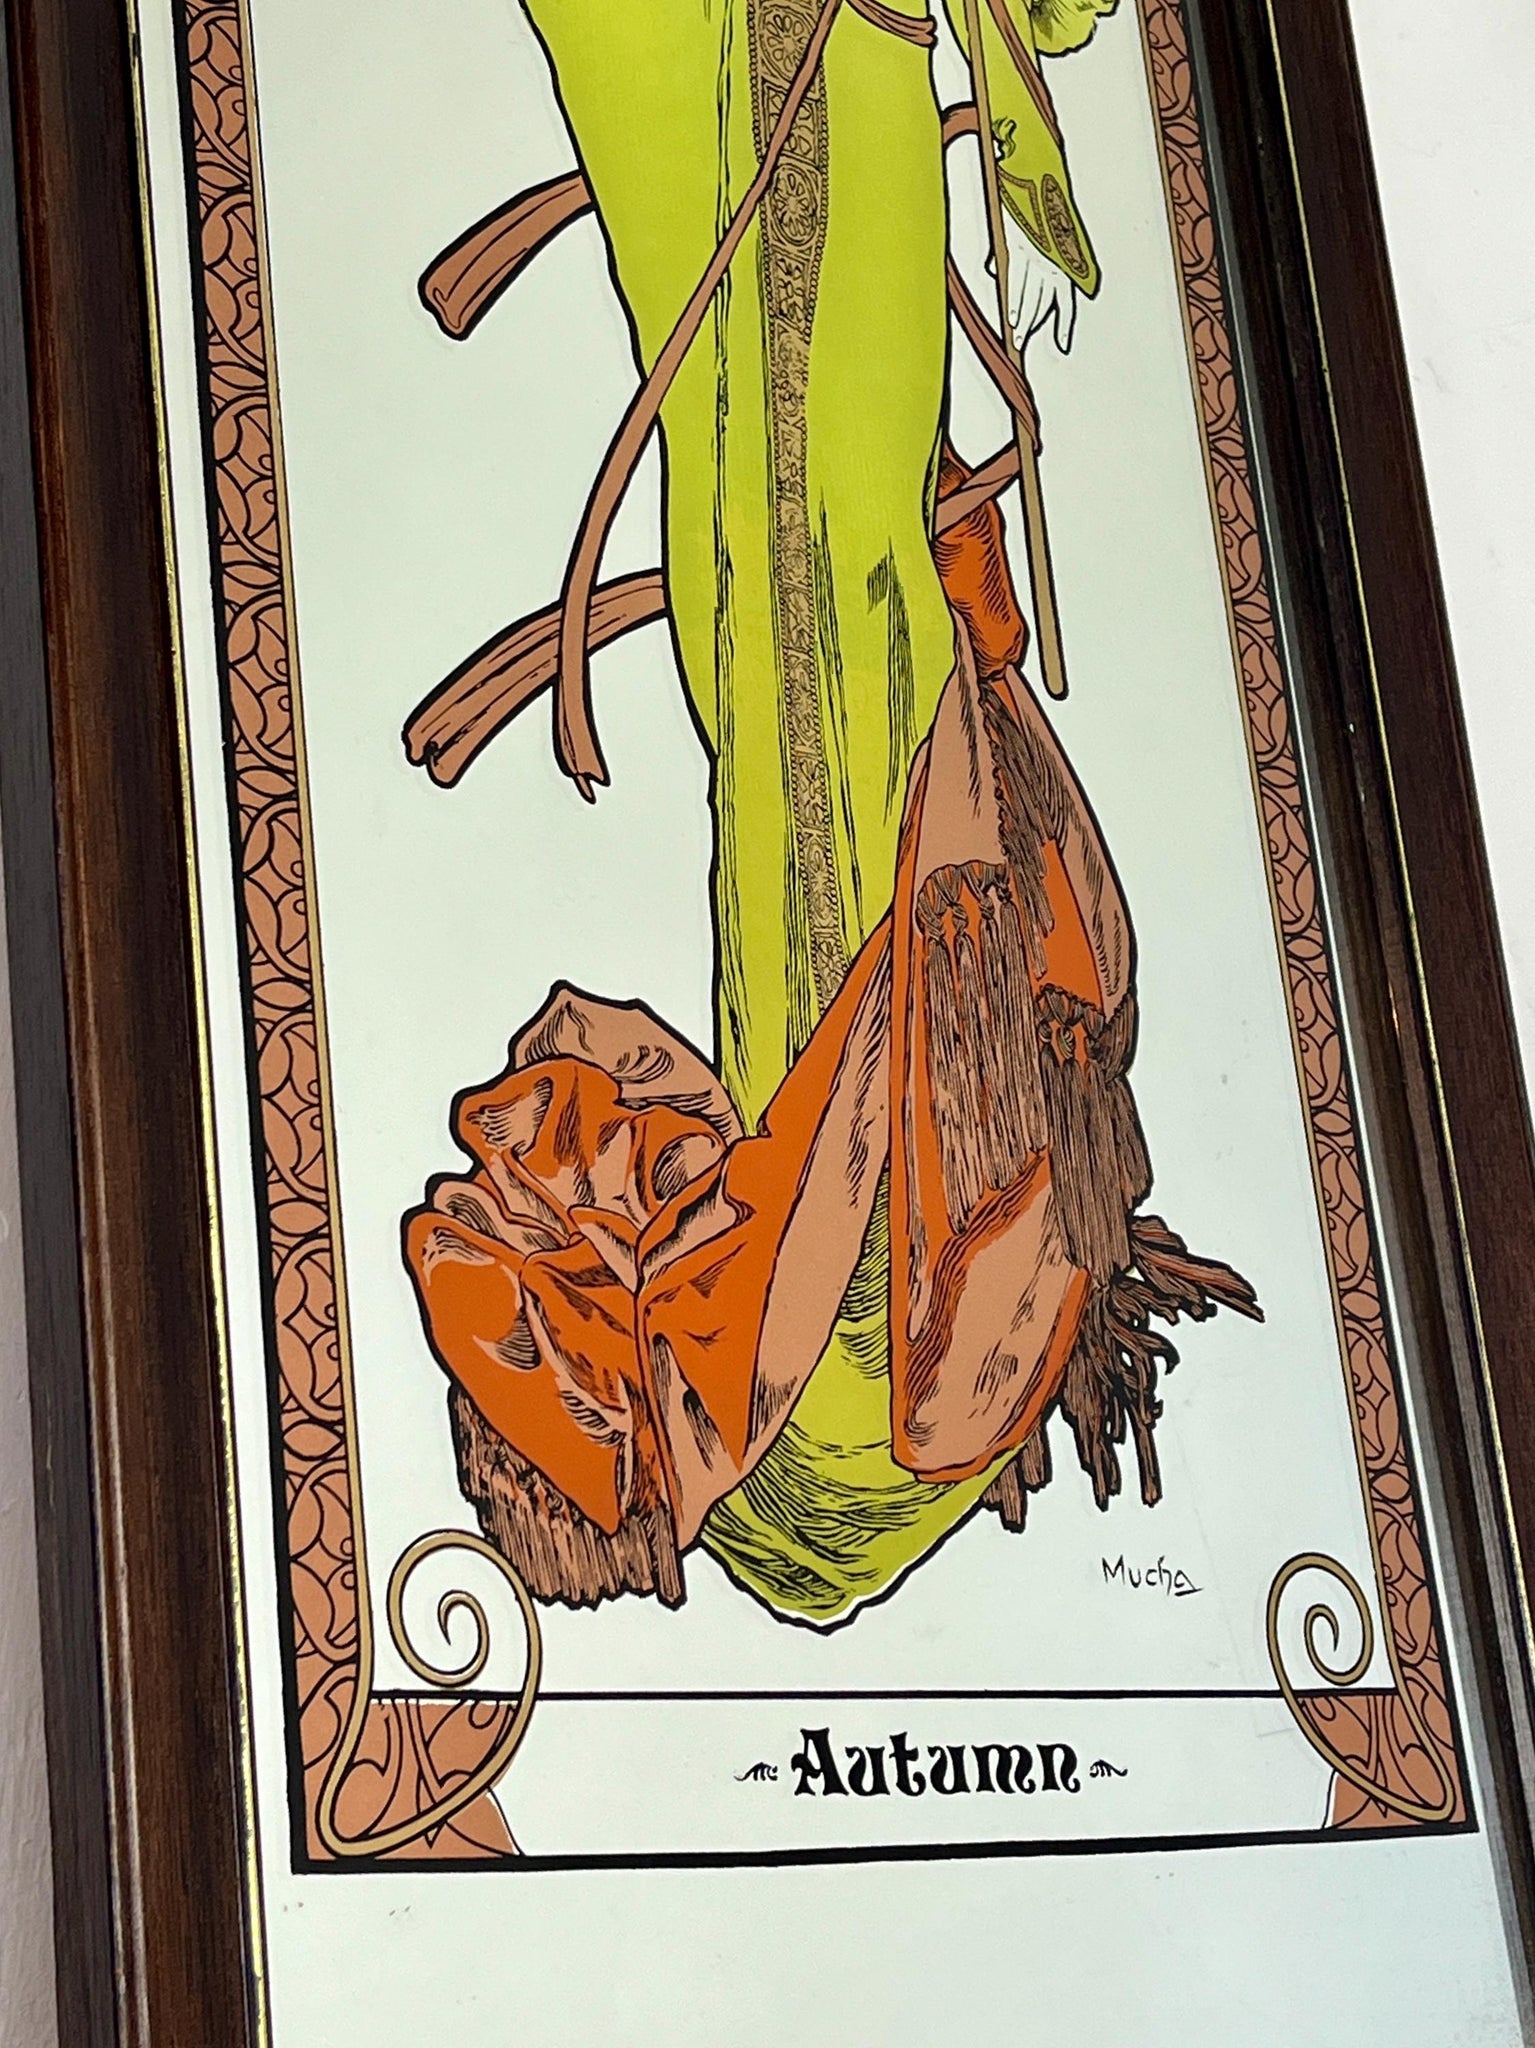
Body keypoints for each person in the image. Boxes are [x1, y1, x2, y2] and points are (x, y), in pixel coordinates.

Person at [403, 0, 1259, 1628]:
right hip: (869, 819)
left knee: (783, 549)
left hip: (861, 819)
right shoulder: (812, 1374)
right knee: (804, 556)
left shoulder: (814, 1434)